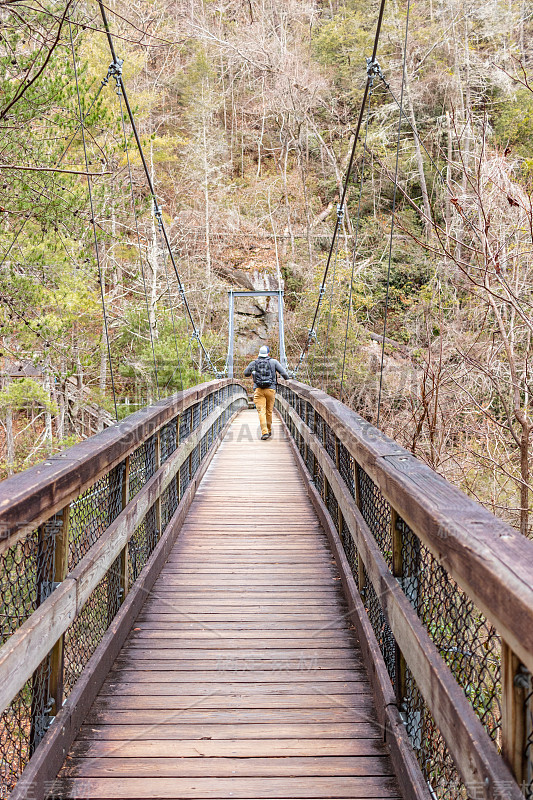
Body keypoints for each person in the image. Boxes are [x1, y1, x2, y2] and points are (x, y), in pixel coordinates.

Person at [244, 345, 289, 440]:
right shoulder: (273, 362)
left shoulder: (254, 363)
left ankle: (264, 432)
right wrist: (288, 379)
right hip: (271, 390)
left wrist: (253, 372)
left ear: (259, 354)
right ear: (268, 354)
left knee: (261, 412)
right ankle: (268, 430)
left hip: (258, 390)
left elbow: (246, 373)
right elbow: (285, 374)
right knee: (269, 411)